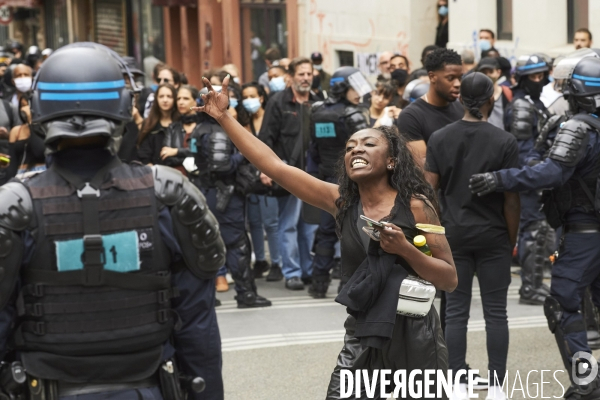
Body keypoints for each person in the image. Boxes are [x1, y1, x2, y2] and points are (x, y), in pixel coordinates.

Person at [195, 75, 457, 399]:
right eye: (350, 148)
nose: (356, 149)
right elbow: (274, 166)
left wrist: (407, 250)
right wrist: (223, 116)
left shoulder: (417, 207)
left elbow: (449, 279)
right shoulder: (342, 203)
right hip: (362, 333)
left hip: (416, 335)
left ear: (391, 161)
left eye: (367, 144)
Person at [0, 42, 226, 400]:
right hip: (146, 387)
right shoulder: (170, 194)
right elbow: (198, 328)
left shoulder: (14, 207)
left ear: (38, 111)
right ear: (124, 107)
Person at [469, 56, 600, 400]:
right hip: (587, 229)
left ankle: (585, 383)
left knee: (561, 303)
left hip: (585, 231)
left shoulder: (578, 127)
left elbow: (551, 174)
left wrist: (499, 178)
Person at [425, 72, 520, 400]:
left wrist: (434, 238)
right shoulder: (505, 141)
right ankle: (496, 388)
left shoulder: (439, 138)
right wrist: (510, 240)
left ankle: (455, 384)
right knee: (496, 313)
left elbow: (428, 193)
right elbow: (511, 199)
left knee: (455, 312)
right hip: (493, 234)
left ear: (460, 98)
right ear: (492, 98)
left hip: (453, 237)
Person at [190, 88, 272, 309]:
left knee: (208, 244)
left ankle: (212, 295)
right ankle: (245, 294)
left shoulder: (200, 128)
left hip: (211, 193)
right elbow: (222, 165)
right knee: (237, 245)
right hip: (223, 196)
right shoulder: (215, 131)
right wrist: (242, 153)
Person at [308, 67, 371, 298]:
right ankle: (349, 285)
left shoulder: (317, 111)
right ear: (343, 88)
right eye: (355, 87)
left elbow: (313, 149)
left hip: (326, 178)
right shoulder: (352, 115)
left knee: (326, 231)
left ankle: (318, 284)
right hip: (351, 179)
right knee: (354, 233)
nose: (359, 93)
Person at [258, 57, 318, 290]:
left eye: (309, 74)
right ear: (291, 77)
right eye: (301, 74)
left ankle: (307, 270)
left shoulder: (319, 102)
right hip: (289, 173)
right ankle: (291, 272)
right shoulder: (278, 101)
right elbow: (266, 138)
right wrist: (266, 169)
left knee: (310, 225)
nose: (305, 78)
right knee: (289, 224)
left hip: (313, 175)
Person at [504, 54, 555, 305]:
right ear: (523, 79)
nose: (539, 79)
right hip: (530, 180)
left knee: (539, 233)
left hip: (538, 178)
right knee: (533, 233)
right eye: (533, 76)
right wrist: (537, 177)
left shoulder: (535, 102)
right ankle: (530, 288)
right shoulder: (523, 105)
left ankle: (534, 285)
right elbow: (523, 151)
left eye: (541, 75)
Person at [241, 82, 283, 279]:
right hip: (250, 177)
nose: (249, 100)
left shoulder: (271, 118)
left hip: (269, 177)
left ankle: (276, 262)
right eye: (245, 97)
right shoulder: (244, 122)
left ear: (261, 97)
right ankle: (259, 260)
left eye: (252, 96)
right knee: (255, 222)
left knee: (271, 222)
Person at [396, 48, 463, 168]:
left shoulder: (461, 108)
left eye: (460, 78)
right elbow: (423, 166)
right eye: (450, 78)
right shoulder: (411, 116)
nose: (457, 84)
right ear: (432, 77)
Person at [161, 85, 200, 174]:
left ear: (195, 102)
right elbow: (166, 157)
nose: (181, 102)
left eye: (185, 99)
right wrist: (189, 158)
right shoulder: (173, 128)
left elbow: (203, 153)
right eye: (178, 99)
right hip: (176, 178)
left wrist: (176, 151)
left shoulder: (202, 126)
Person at [6, 94, 46, 181]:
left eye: (27, 105)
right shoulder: (16, 131)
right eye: (22, 106)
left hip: (41, 172)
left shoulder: (46, 128)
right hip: (21, 175)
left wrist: (31, 121)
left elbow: (39, 151)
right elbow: (12, 162)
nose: (24, 109)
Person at [138, 83, 179, 165]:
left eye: (169, 96)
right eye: (161, 96)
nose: (165, 100)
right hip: (154, 172)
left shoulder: (180, 122)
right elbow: (144, 154)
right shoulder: (148, 123)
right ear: (156, 99)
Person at [477, 57, 512, 130]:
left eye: (490, 71)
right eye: (484, 72)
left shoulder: (508, 93)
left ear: (498, 72)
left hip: (503, 138)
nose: (487, 75)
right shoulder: (474, 94)